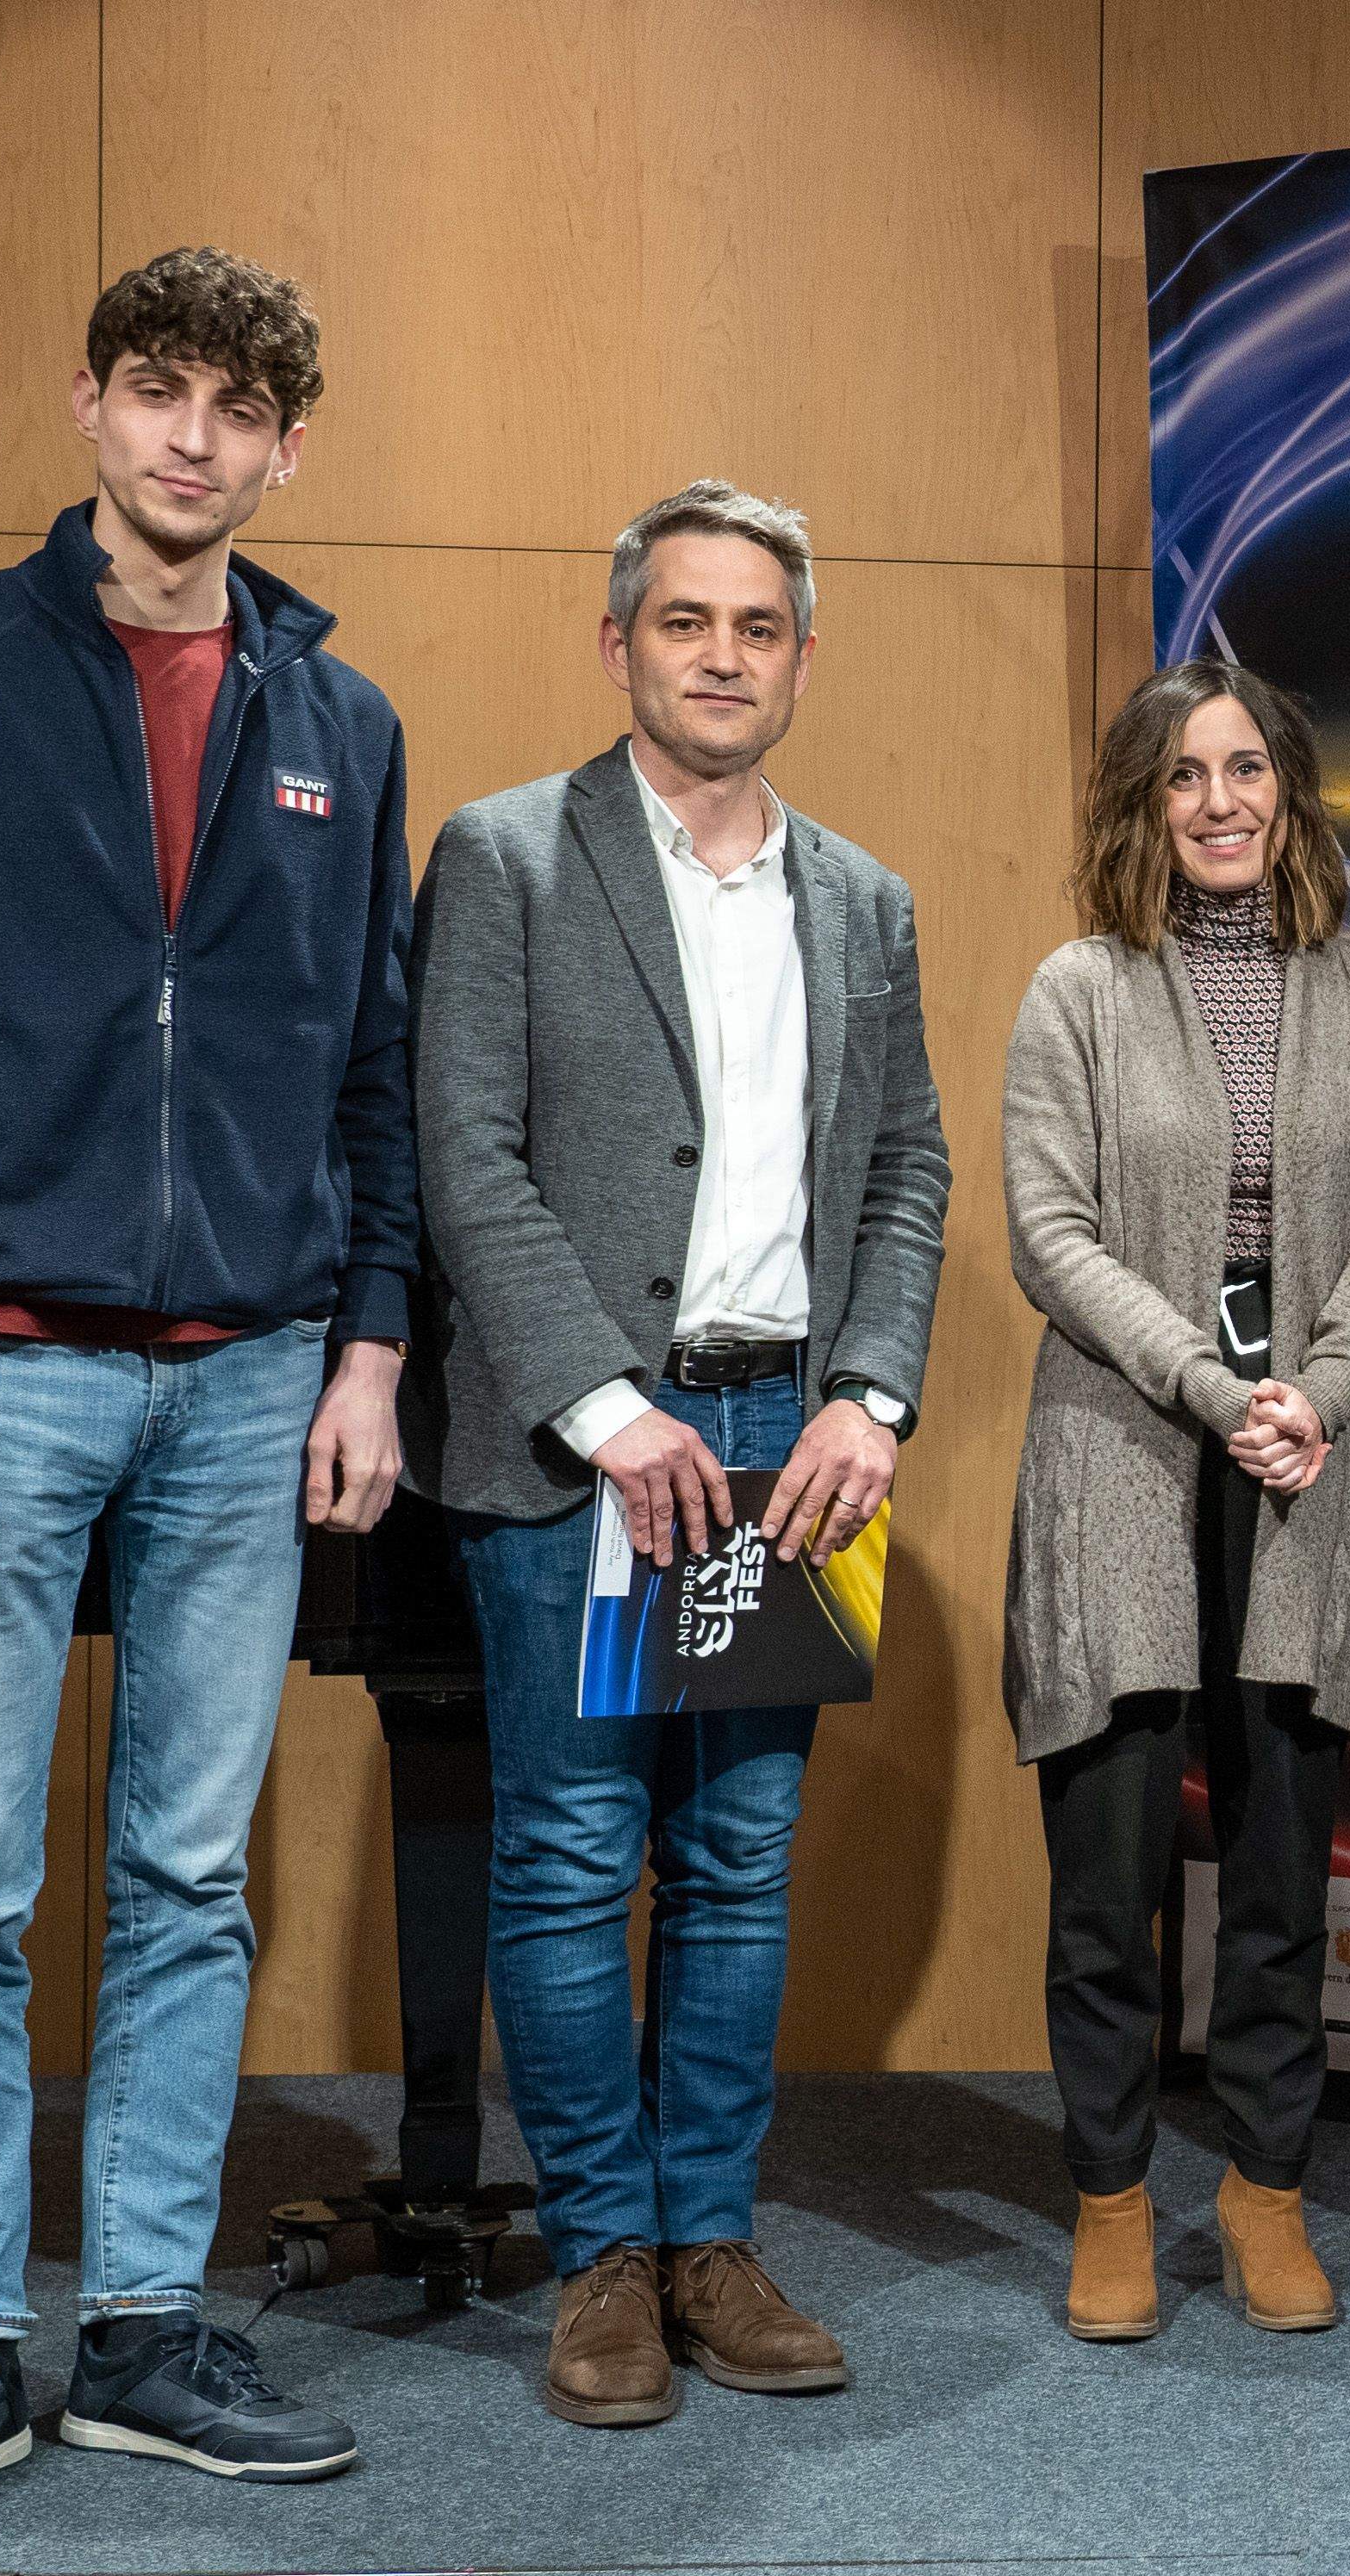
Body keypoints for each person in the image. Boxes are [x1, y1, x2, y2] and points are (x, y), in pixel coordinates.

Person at [0, 247, 411, 2534]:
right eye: (159, 390)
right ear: (91, 405)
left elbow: (374, 1068)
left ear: (285, 449)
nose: (191, 437)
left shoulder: (342, 721)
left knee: (187, 1880)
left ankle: (142, 2331)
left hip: (250, 1379)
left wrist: (373, 1341)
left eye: (238, 408)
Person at [410, 480, 950, 2429]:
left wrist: (871, 1396)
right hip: (590, 1444)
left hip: (785, 1437)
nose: (723, 657)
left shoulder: (863, 899)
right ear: (620, 642)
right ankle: (603, 2258)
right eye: (685, 621)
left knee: (737, 1861)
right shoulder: (505, 857)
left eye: (758, 627)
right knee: (569, 1859)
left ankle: (710, 2237)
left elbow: (908, 1169)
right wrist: (605, 1403)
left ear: (801, 659)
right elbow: (464, 1155)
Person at [1001, 660, 1350, 2342]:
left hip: (1305, 1455)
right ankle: (1111, 2197)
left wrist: (1316, 1392)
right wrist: (1204, 1382)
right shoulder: (1078, 990)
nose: (1220, 802)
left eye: (1246, 768)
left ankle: (1264, 2190)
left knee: (1277, 1871)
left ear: (1289, 790)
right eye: (1184, 776)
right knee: (1109, 1873)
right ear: (1141, 803)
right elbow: (1052, 1235)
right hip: (1122, 1446)